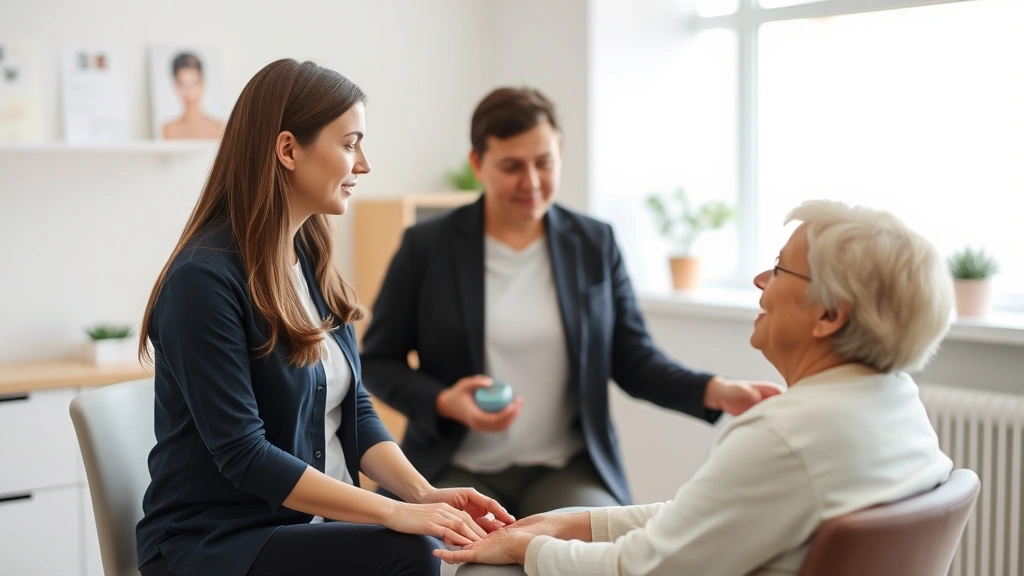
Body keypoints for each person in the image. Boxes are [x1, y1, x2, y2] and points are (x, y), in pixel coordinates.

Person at [135, 59, 514, 576]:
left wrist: (423, 493)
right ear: (288, 149)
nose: (364, 164)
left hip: (306, 526)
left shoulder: (308, 257)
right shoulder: (202, 281)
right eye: (351, 142)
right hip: (217, 541)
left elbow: (351, 407)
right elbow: (244, 453)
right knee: (413, 551)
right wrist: (396, 512)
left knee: (451, 542)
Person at [434, 200, 956, 576]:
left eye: (778, 269)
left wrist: (527, 550)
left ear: (828, 314)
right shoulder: (896, 403)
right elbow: (704, 519)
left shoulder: (785, 436)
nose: (759, 281)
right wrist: (567, 526)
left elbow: (642, 569)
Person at [360, 86, 782, 518]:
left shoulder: (594, 242)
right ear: (477, 164)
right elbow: (377, 360)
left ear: (560, 152)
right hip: (450, 468)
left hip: (566, 471)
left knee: (596, 555)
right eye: (512, 166)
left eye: (544, 162)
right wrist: (444, 401)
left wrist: (718, 391)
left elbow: (634, 359)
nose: (532, 182)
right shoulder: (427, 247)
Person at [161, 52, 223, 140]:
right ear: (175, 86)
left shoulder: (220, 128)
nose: (189, 92)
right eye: (182, 84)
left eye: (194, 83)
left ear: (202, 85)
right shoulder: (167, 130)